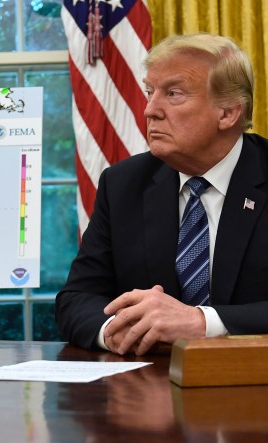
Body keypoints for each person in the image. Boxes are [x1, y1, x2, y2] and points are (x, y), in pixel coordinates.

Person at [56, 33, 268, 356]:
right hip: (147, 391)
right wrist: (113, 331)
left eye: (173, 93)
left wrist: (202, 322)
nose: (149, 110)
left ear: (228, 113)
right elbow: (76, 299)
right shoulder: (122, 184)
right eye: (149, 92)